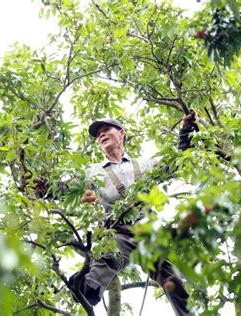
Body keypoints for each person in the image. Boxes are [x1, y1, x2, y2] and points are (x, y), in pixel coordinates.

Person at [70, 111, 199, 316]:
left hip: (149, 231)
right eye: (98, 135)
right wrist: (39, 186)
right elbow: (66, 187)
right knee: (108, 257)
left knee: (172, 279)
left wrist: (185, 129)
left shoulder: (144, 164)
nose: (101, 135)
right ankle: (86, 291)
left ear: (121, 133)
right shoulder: (94, 172)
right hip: (120, 231)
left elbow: (178, 159)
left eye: (106, 131)